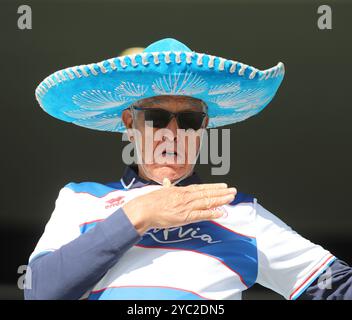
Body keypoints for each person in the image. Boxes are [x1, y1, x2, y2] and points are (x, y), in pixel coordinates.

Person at [25, 38, 351, 300]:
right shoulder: (79, 199)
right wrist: (138, 215)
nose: (173, 132)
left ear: (204, 127)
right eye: (155, 117)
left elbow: (336, 285)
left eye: (190, 120)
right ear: (129, 123)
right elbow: (41, 291)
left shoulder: (239, 211)